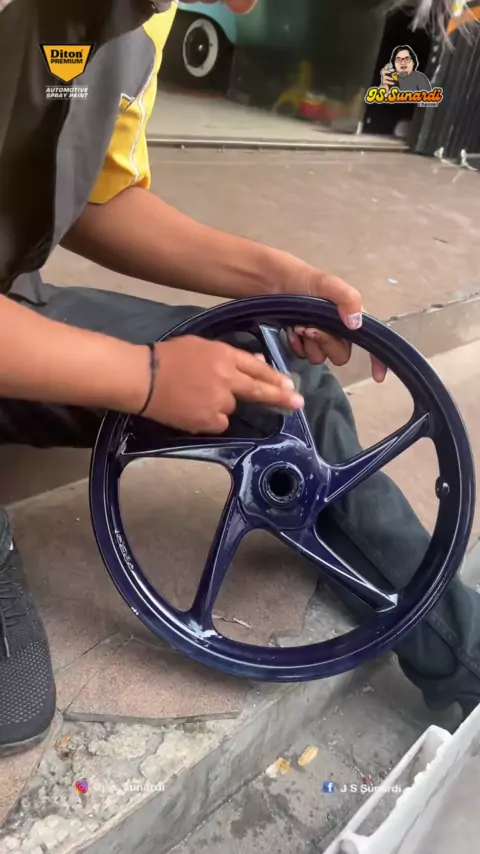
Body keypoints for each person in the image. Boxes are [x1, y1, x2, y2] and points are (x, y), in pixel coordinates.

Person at [0, 0, 478, 756]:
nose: (252, 7)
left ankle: (466, 657)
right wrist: (144, 375)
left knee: (278, 382)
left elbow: (97, 198)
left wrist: (281, 279)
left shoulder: (146, 21)